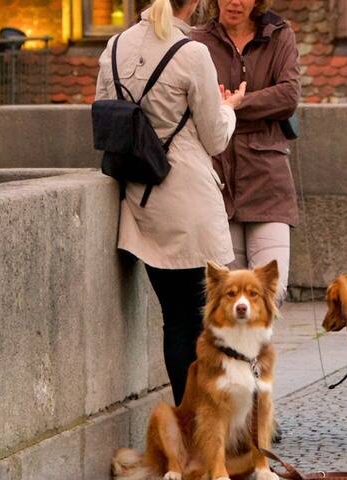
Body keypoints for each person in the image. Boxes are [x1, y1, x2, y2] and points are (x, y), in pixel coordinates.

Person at [97, 0, 243, 403]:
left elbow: (105, 120)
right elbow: (215, 139)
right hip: (188, 202)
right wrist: (229, 109)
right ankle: (211, 430)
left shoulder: (114, 47)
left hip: (141, 202)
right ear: (194, 3)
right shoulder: (192, 53)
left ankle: (186, 421)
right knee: (205, 325)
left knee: (174, 323)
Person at [193, 0, 301, 289]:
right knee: (229, 296)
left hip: (267, 178)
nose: (235, 2)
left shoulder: (279, 35)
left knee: (270, 291)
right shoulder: (197, 41)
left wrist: (233, 105)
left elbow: (289, 95)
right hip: (217, 178)